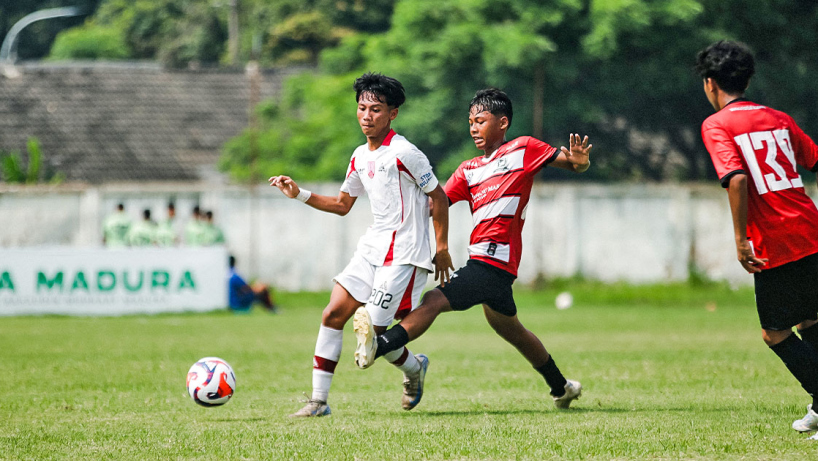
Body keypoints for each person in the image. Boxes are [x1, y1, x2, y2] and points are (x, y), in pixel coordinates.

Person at [353, 88, 591, 410]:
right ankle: (561, 387)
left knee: (434, 299)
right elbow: (435, 203)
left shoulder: (523, 148)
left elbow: (573, 164)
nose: (473, 128)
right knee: (514, 332)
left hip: (495, 261)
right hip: (486, 264)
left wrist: (580, 161)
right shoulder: (468, 169)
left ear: (503, 122)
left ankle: (379, 346)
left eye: (480, 121)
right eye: (470, 122)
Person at [269, 72, 453, 417]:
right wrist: (300, 194)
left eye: (376, 110)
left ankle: (414, 369)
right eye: (362, 108)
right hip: (372, 249)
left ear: (392, 113)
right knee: (333, 313)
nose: (367, 116)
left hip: (405, 254)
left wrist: (441, 248)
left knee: (373, 340)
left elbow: (439, 198)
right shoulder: (359, 156)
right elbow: (342, 205)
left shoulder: (405, 153)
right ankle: (318, 401)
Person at [695, 40, 818, 439]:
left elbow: (737, 179)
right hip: (809, 229)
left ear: (711, 83)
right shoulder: (777, 117)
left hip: (777, 240)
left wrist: (740, 238)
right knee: (810, 319)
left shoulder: (717, 124)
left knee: (775, 332)